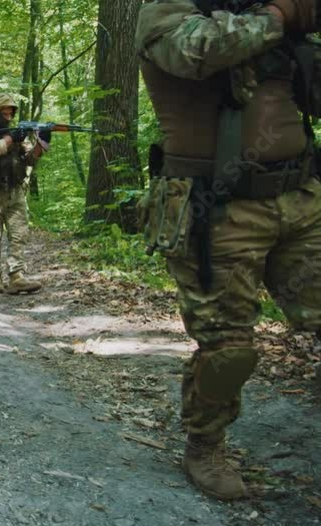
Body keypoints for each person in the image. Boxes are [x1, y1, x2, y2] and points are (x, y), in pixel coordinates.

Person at [137, 0, 320, 500]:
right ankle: (205, 444)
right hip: (215, 210)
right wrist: (284, 14)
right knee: (229, 350)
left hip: (302, 197)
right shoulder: (165, 13)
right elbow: (198, 51)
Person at [0, 93, 48, 294]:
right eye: (4, 113)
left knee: (19, 234)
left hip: (15, 192)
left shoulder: (17, 136)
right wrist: (9, 138)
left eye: (10, 113)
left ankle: (16, 276)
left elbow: (30, 159)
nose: (8, 117)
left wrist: (42, 144)